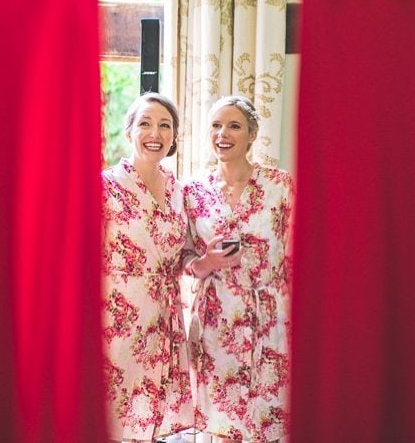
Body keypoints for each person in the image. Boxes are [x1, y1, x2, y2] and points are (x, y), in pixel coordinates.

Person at [180, 95, 294, 443]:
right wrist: (207, 262)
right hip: (217, 320)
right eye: (215, 125)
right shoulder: (192, 191)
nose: (222, 134)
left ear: (251, 135)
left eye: (234, 126)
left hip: (270, 317)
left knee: (269, 420)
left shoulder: (281, 186)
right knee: (222, 424)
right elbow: (183, 258)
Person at [101, 93, 194, 442]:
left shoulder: (177, 189)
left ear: (173, 137)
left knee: (148, 418)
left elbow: (183, 253)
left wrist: (208, 260)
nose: (155, 132)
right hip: (115, 316)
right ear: (129, 132)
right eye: (145, 123)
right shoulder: (105, 186)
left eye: (164, 125)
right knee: (113, 415)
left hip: (161, 316)